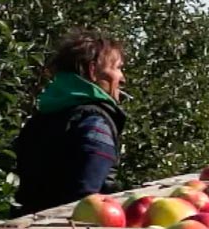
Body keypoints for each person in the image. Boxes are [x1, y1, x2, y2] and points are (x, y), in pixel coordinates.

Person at [13, 29, 126, 214]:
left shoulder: (44, 115)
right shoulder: (95, 123)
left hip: (30, 220)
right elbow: (86, 195)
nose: (122, 78)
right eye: (118, 68)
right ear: (93, 71)